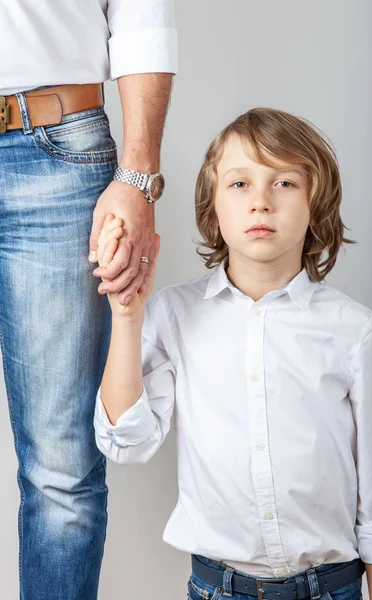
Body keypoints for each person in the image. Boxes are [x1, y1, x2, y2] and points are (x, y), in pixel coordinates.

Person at [94, 108, 372, 600]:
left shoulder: (354, 331)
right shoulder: (174, 313)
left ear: (316, 207)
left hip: (332, 588)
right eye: (239, 184)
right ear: (212, 208)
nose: (260, 202)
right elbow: (126, 444)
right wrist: (127, 318)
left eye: (284, 183)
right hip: (219, 589)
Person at [0, 1, 176, 598]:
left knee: (62, 471)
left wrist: (138, 175)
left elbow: (140, 13)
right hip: (51, 148)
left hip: (54, 149)